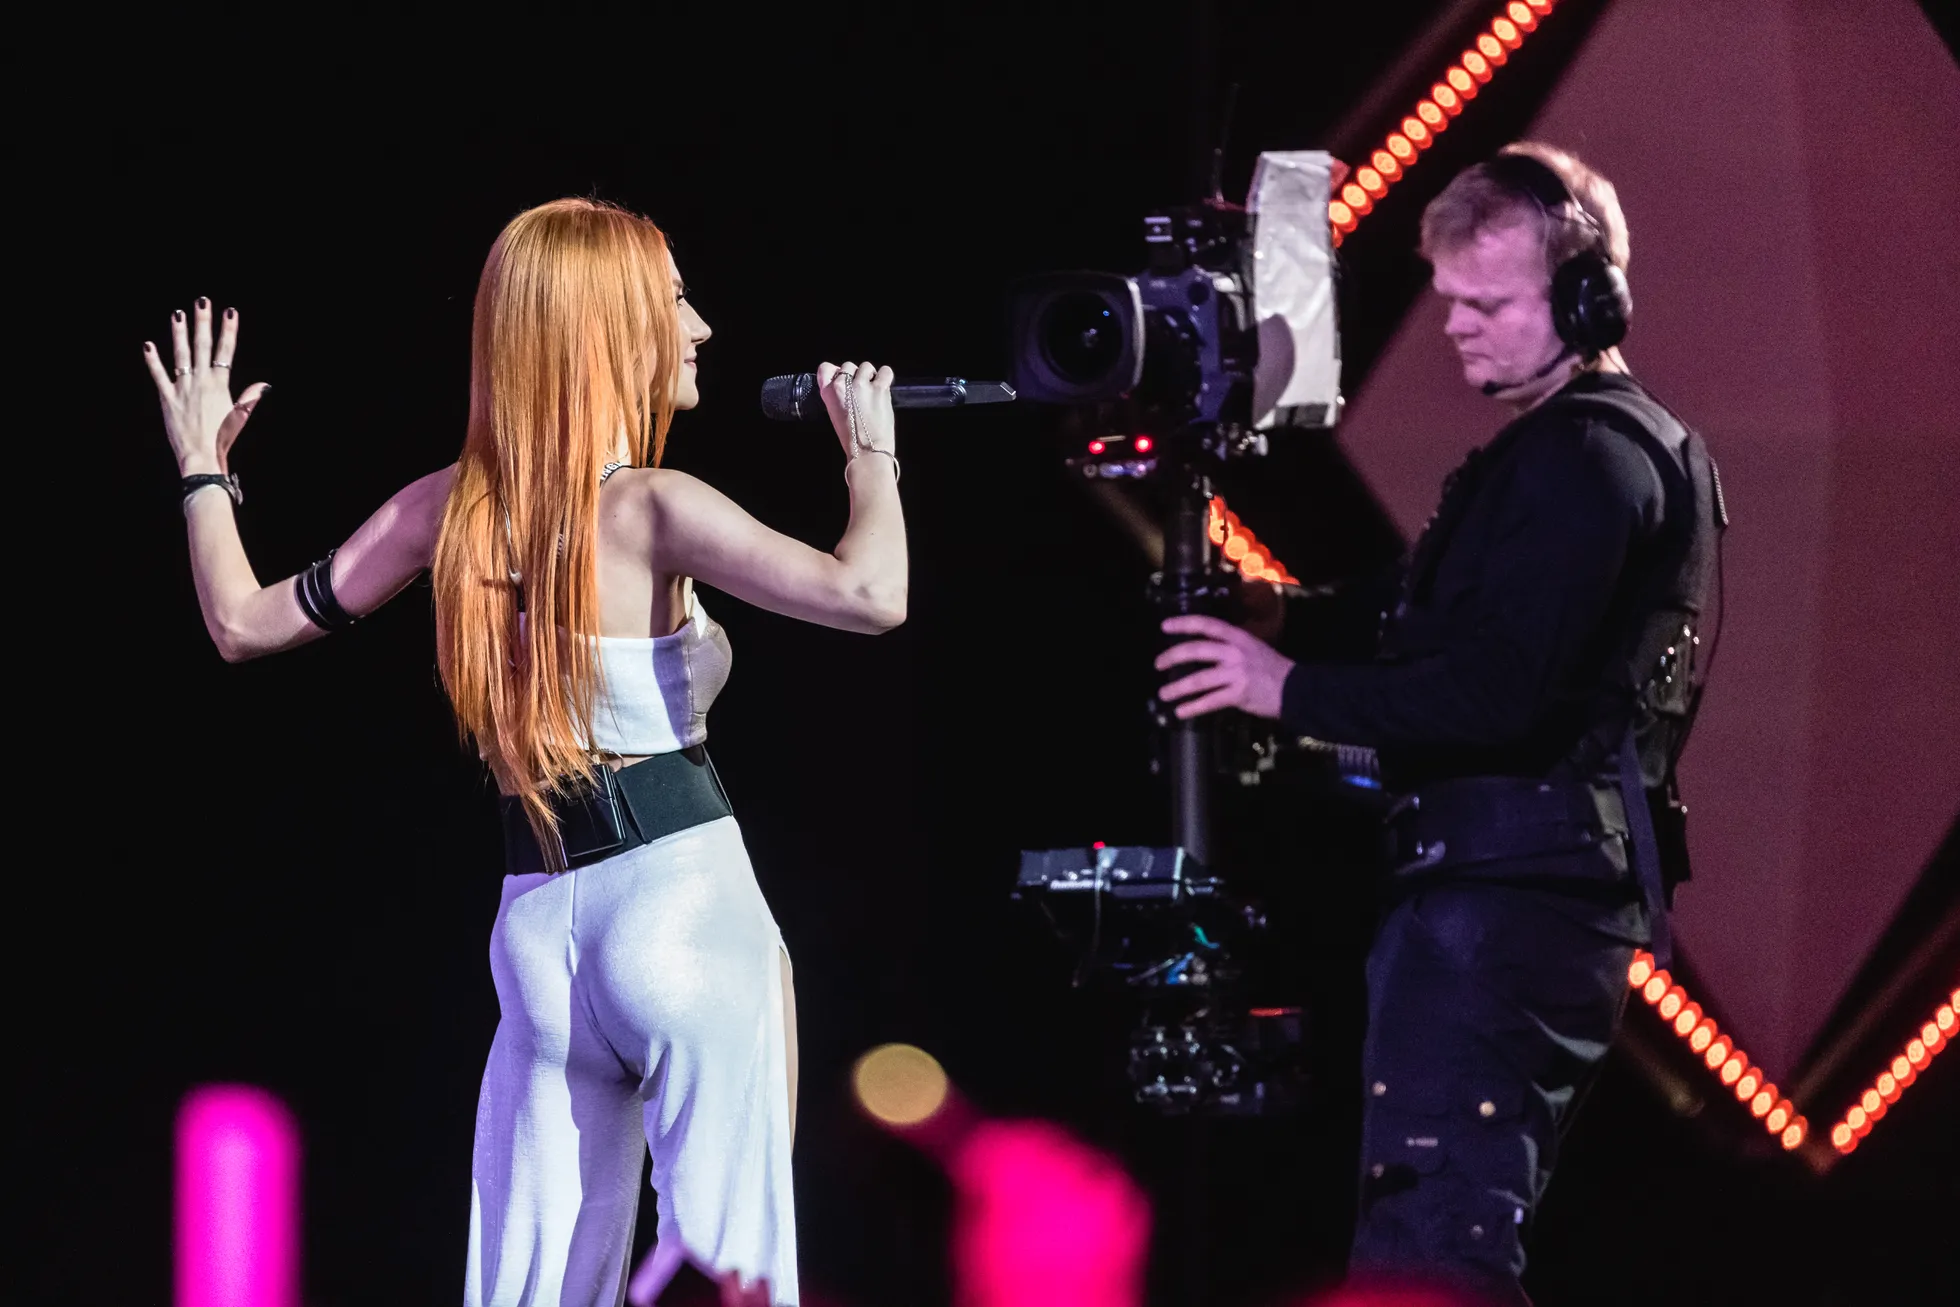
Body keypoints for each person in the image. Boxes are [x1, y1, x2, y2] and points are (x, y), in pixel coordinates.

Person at [144, 197, 908, 1307]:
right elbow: (873, 594)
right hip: (683, 903)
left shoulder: (443, 511)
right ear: (608, 324)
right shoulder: (652, 506)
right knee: (727, 1260)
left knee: (530, 1285)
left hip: (540, 930)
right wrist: (872, 453)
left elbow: (241, 624)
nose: (699, 327)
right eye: (674, 300)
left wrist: (201, 471)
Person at [1155, 144, 1723, 1304]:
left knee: (1433, 1252)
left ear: (1587, 299)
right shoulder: (1561, 450)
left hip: (1507, 907)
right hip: (1497, 897)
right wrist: (1287, 615)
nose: (1456, 326)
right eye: (1450, 299)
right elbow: (1425, 613)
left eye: (1488, 303)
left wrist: (1281, 686)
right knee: (1420, 1243)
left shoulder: (1590, 463)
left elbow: (1494, 690)